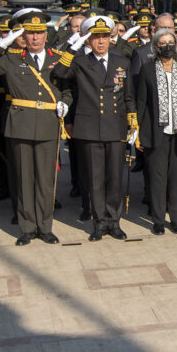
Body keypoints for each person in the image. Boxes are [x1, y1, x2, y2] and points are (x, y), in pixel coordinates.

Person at [0, 10, 70, 244]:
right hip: (20, 124)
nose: (35, 38)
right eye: (30, 33)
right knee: (23, 179)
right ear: (24, 36)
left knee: (45, 180)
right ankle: (27, 227)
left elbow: (69, 88)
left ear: (46, 35)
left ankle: (45, 226)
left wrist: (65, 103)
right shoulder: (11, 59)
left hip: (48, 124)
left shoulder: (57, 59)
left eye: (39, 33)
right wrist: (5, 41)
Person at [53, 15, 137, 241]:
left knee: (114, 179)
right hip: (89, 127)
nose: (101, 42)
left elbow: (128, 96)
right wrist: (73, 46)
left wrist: (132, 121)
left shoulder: (122, 62)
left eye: (105, 37)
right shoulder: (80, 63)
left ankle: (114, 221)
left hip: (116, 126)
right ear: (89, 40)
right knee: (95, 179)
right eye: (96, 38)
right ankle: (99, 223)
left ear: (111, 39)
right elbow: (59, 73)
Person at [136, 27, 177, 233]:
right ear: (156, 47)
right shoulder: (147, 70)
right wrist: (138, 133)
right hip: (155, 133)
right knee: (157, 178)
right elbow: (141, 103)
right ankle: (158, 219)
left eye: (171, 43)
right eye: (163, 44)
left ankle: (176, 217)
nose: (167, 47)